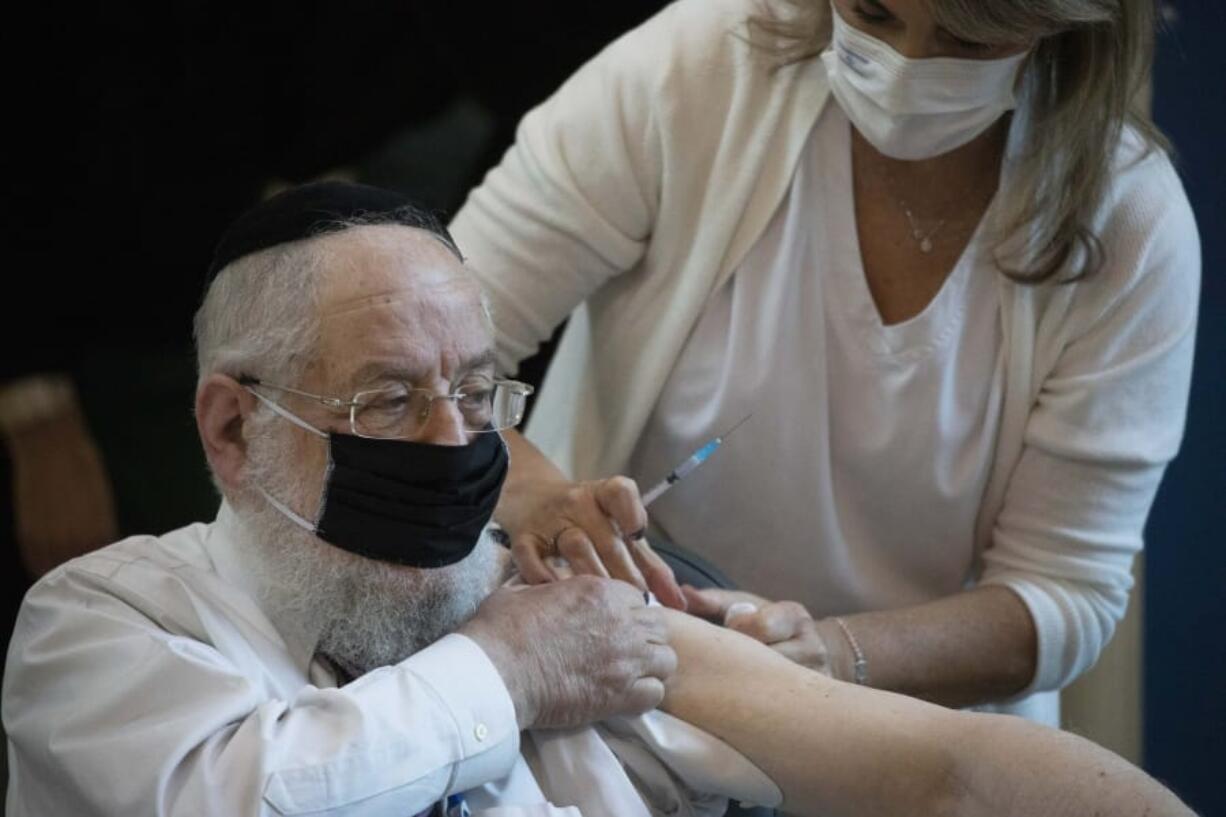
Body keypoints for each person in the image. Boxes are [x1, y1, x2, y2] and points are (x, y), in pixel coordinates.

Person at [2, 183, 1193, 817]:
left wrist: (796, 658)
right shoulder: (105, 624)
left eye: (478, 392)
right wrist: (509, 673)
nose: (452, 442)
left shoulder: (545, 609)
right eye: (386, 401)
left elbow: (943, 773)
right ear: (231, 428)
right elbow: (247, 800)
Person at [449, 0, 1201, 721]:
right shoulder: (701, 69)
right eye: (873, 13)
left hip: (905, 739)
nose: (907, 68)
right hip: (613, 683)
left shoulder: (1126, 224)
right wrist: (536, 494)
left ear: (1056, 21)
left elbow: (1060, 596)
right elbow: (426, 343)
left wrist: (833, 660)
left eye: (969, 43)